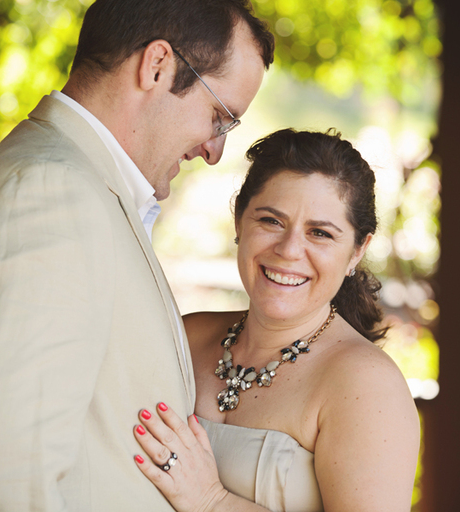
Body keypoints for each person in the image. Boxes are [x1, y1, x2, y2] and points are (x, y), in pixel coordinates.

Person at [0, 1, 274, 510]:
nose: (214, 150)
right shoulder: (52, 192)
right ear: (157, 66)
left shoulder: (80, 185)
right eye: (220, 117)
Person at [131, 129, 420, 512]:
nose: (288, 250)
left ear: (357, 251)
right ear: (239, 222)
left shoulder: (366, 384)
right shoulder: (185, 334)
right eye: (271, 221)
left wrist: (212, 501)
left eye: (320, 233)